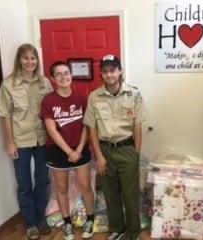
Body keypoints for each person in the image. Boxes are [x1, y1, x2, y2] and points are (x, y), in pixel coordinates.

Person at [0, 43, 52, 240]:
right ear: (19, 60)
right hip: (20, 141)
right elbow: (5, 116)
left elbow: (52, 110)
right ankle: (31, 222)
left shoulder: (45, 83)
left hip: (43, 139)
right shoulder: (8, 84)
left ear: (37, 60)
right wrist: (10, 143)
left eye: (33, 58)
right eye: (25, 58)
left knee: (43, 180)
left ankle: (41, 217)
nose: (29, 62)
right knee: (24, 183)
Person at [83, 55, 145, 240]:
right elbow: (92, 128)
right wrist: (99, 156)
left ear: (119, 71)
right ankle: (118, 229)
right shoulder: (94, 97)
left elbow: (138, 126)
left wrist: (136, 154)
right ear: (101, 74)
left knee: (130, 194)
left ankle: (134, 232)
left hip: (127, 149)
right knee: (111, 193)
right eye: (105, 71)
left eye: (112, 70)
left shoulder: (134, 94)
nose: (109, 74)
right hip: (105, 151)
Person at [40, 61, 94, 240]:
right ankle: (67, 223)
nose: (63, 77)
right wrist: (69, 152)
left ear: (71, 75)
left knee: (85, 186)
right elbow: (51, 130)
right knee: (61, 188)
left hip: (80, 149)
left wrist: (78, 149)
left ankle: (90, 220)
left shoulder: (81, 99)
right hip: (58, 150)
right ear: (53, 79)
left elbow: (87, 126)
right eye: (59, 74)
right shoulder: (48, 100)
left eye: (66, 73)